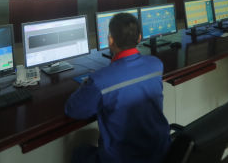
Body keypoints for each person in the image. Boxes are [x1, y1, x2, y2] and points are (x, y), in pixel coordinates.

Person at [65, 13, 170, 163]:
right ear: (139, 38)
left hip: (123, 159)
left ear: (110, 40)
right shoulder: (156, 65)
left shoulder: (100, 80)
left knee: (79, 152)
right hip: (160, 152)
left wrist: (86, 84)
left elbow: (73, 110)